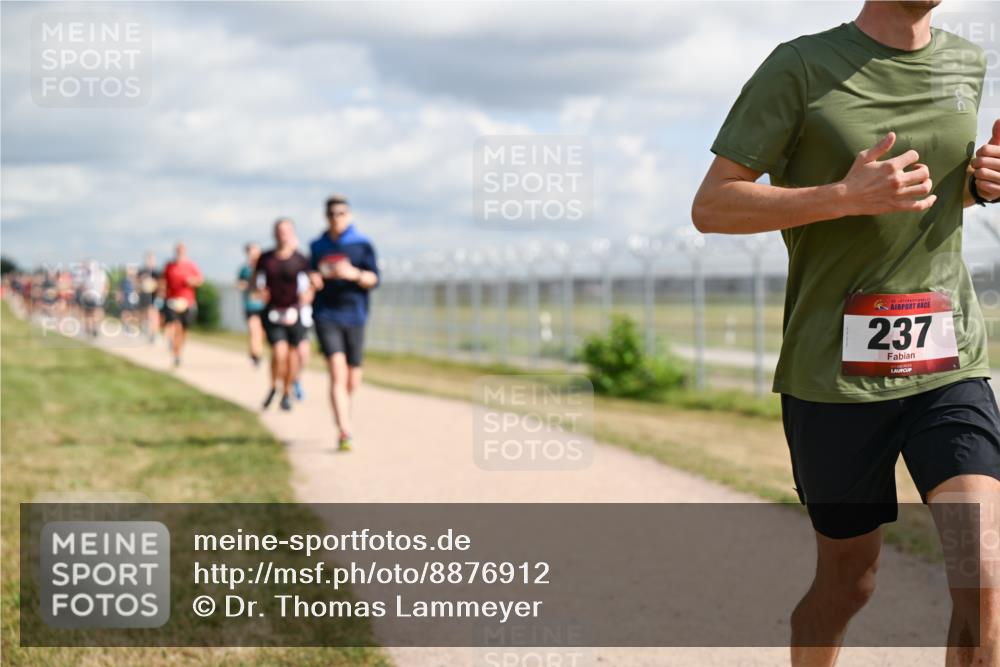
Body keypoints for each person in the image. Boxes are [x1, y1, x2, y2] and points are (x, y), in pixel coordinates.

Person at [692, 2, 1000, 665]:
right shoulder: (799, 66)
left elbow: (934, 192)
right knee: (849, 579)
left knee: (984, 568)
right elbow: (712, 205)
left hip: (948, 360)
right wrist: (844, 195)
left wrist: (979, 183)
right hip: (831, 378)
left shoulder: (967, 63)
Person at [309, 194, 379, 451]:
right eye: (331, 214)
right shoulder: (318, 245)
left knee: (352, 379)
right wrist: (314, 279)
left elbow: (374, 279)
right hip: (326, 314)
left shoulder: (362, 245)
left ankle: (341, 409)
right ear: (325, 217)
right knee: (337, 372)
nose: (336, 218)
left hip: (356, 314)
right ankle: (344, 430)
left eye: (341, 213)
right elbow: (311, 273)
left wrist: (354, 274)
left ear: (348, 215)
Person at [255, 219, 310, 411]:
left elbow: (311, 283)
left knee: (292, 356)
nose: (283, 234)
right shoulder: (266, 258)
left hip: (294, 312)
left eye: (287, 230)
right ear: (274, 233)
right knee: (279, 353)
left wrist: (306, 297)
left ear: (292, 233)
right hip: (273, 312)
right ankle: (273, 386)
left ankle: (286, 391)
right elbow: (256, 281)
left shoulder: (300, 259)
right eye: (279, 230)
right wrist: (259, 291)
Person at [160, 243, 203, 367]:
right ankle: (175, 352)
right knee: (175, 326)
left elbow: (200, 280)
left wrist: (192, 281)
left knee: (183, 330)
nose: (180, 253)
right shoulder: (170, 265)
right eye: (178, 250)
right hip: (172, 301)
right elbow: (163, 281)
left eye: (182, 251)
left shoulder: (191, 265)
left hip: (188, 301)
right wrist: (162, 292)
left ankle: (178, 352)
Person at [237, 243, 266, 367]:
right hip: (251, 304)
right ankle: (257, 356)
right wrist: (245, 285)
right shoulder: (245, 269)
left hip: (265, 305)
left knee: (261, 332)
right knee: (254, 330)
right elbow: (239, 284)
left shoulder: (265, 268)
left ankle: (255, 353)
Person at [79, 260, 108, 338]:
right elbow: (82, 286)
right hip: (87, 297)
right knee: (87, 313)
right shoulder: (85, 275)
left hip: (97, 297)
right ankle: (88, 329)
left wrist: (103, 294)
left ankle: (94, 328)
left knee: (96, 312)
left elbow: (105, 285)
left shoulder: (101, 274)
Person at [137, 252, 161, 342]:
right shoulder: (141, 272)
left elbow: (161, 284)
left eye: (152, 259)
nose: (150, 261)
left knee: (153, 314)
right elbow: (137, 283)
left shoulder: (157, 272)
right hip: (143, 296)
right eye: (149, 259)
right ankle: (144, 329)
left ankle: (153, 334)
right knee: (143, 314)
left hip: (153, 296)